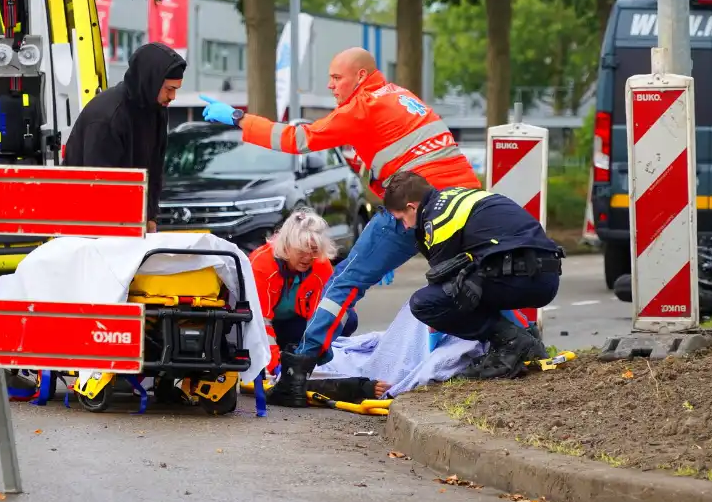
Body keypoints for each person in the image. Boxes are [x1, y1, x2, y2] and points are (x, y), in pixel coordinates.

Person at [200, 47, 497, 402]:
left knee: (344, 283)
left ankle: (297, 374)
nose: (330, 86)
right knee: (472, 279)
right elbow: (392, 166)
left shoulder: (364, 106)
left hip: (414, 206)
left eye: (336, 78)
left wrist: (236, 118)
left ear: (360, 77)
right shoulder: (402, 97)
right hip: (461, 203)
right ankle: (515, 341)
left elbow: (299, 139)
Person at [383, 172, 563, 380]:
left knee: (426, 303)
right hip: (544, 275)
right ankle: (525, 340)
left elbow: (443, 284)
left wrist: (435, 333)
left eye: (402, 218)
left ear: (412, 207)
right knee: (472, 280)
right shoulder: (456, 198)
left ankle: (511, 343)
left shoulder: (438, 219)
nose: (405, 226)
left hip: (521, 277)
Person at [249, 208, 388, 406]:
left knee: (347, 317)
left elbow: (324, 313)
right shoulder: (261, 264)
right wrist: (275, 366)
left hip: (296, 323)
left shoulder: (321, 265)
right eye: (302, 251)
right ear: (287, 247)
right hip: (262, 326)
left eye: (314, 251)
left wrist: (314, 357)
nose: (308, 258)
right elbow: (260, 324)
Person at [62, 42, 187, 232]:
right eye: (169, 89)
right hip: (90, 224)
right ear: (150, 82)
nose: (173, 97)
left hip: (129, 221)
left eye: (176, 89)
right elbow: (100, 185)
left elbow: (154, 168)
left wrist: (151, 216)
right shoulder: (107, 117)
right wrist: (131, 225)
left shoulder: (156, 109)